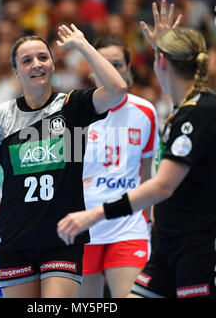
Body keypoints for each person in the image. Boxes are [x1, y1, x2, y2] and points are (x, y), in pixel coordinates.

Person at [57, 0, 216, 298]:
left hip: (206, 247)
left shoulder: (199, 111)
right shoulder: (183, 110)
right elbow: (178, 91)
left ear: (161, 63)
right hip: (171, 246)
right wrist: (163, 48)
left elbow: (161, 187)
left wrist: (94, 214)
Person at [0, 24, 128, 298]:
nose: (36, 64)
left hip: (62, 238)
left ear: (53, 65)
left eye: (43, 57)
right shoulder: (0, 117)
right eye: (26, 60)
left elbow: (117, 90)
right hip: (15, 239)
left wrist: (82, 45)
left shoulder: (73, 105)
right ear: (16, 72)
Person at [80, 37, 159, 298]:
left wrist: (151, 218)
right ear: (92, 68)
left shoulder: (145, 111)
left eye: (117, 64)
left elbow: (149, 176)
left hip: (128, 226)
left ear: (128, 70)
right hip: (83, 228)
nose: (111, 70)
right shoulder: (74, 112)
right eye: (103, 63)